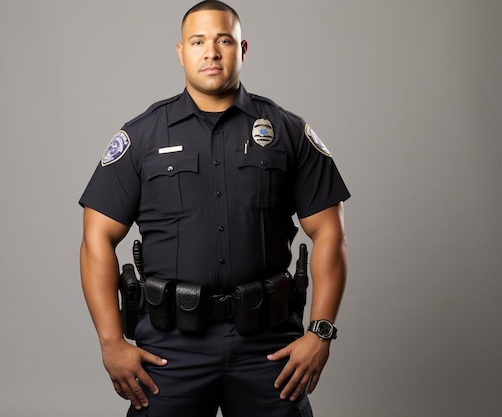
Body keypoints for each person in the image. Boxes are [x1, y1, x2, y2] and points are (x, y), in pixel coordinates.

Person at [79, 1, 350, 416]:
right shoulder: (142, 136)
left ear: (242, 49)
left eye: (224, 40)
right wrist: (111, 342)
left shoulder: (288, 132)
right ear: (181, 51)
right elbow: (96, 238)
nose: (211, 52)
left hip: (269, 349)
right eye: (198, 41)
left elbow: (330, 232)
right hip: (170, 352)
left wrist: (321, 332)